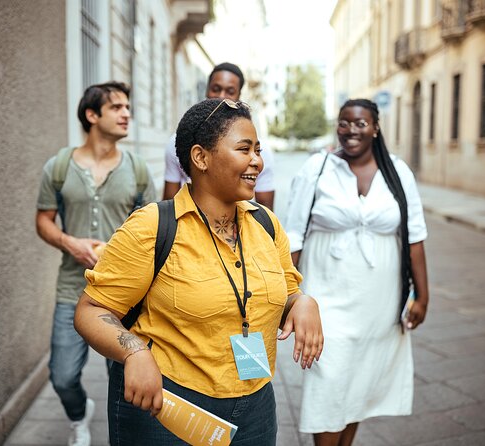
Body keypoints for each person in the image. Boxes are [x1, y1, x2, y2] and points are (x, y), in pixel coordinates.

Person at [74, 98, 323, 445]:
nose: (257, 161)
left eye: (258, 150)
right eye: (244, 149)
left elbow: (283, 294)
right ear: (201, 157)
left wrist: (301, 302)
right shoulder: (152, 226)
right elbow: (92, 310)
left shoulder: (267, 224)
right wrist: (134, 350)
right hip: (168, 407)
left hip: (255, 408)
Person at [286, 98, 430, 446]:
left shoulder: (397, 171)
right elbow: (292, 236)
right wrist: (289, 296)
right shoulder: (317, 168)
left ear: (375, 128)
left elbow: (415, 237)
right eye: (344, 122)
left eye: (361, 123)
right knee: (330, 380)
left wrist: (422, 296)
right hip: (326, 295)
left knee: (360, 385)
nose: (351, 130)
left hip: (379, 302)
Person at [35, 81, 157, 446]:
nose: (126, 114)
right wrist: (68, 242)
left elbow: (154, 229)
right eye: (117, 107)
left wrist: (118, 251)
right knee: (62, 376)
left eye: (127, 108)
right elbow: (43, 220)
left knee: (122, 377)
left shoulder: (137, 170)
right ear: (92, 115)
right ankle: (78, 415)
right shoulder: (58, 167)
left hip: (124, 296)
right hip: (73, 289)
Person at [163, 62, 276, 209]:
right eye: (216, 89)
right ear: (198, 156)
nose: (221, 97)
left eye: (230, 91)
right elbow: (168, 202)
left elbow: (266, 210)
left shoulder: (260, 152)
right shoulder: (178, 142)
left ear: (239, 96)